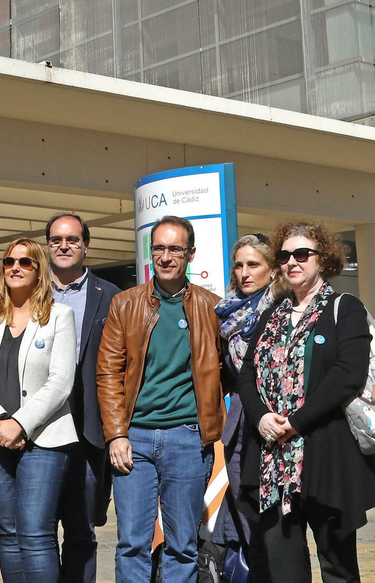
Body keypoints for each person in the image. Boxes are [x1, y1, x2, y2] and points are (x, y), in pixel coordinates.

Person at [237, 222, 375, 583]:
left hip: (326, 456)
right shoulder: (272, 314)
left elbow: (347, 374)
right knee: (282, 568)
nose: (292, 262)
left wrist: (297, 421)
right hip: (273, 460)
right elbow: (247, 372)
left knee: (337, 567)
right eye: (284, 255)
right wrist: (260, 418)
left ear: (323, 259)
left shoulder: (344, 308)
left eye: (302, 254)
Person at [98, 215, 224, 583]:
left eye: (174, 249)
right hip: (133, 439)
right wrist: (116, 434)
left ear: (191, 254)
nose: (165, 257)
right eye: (158, 249)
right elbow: (107, 374)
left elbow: (229, 370)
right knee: (132, 543)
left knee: (182, 545)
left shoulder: (211, 308)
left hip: (187, 438)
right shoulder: (125, 304)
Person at [0, 237, 77, 583]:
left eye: (25, 262)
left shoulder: (60, 315)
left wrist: (20, 424)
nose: (15, 267)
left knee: (36, 534)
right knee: (8, 534)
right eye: (9, 261)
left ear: (39, 270)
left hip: (44, 439)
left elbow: (61, 382)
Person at [44, 213, 117, 583]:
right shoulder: (27, 293)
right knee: (36, 534)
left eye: (72, 239)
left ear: (86, 245)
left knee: (81, 532)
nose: (64, 245)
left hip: (88, 432)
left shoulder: (113, 297)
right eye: (56, 239)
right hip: (37, 433)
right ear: (47, 246)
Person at [214, 234, 284, 553]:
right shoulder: (227, 314)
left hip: (275, 425)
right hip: (238, 428)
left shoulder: (287, 311)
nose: (245, 273)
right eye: (239, 265)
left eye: (253, 264)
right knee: (245, 519)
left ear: (272, 270)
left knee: (274, 523)